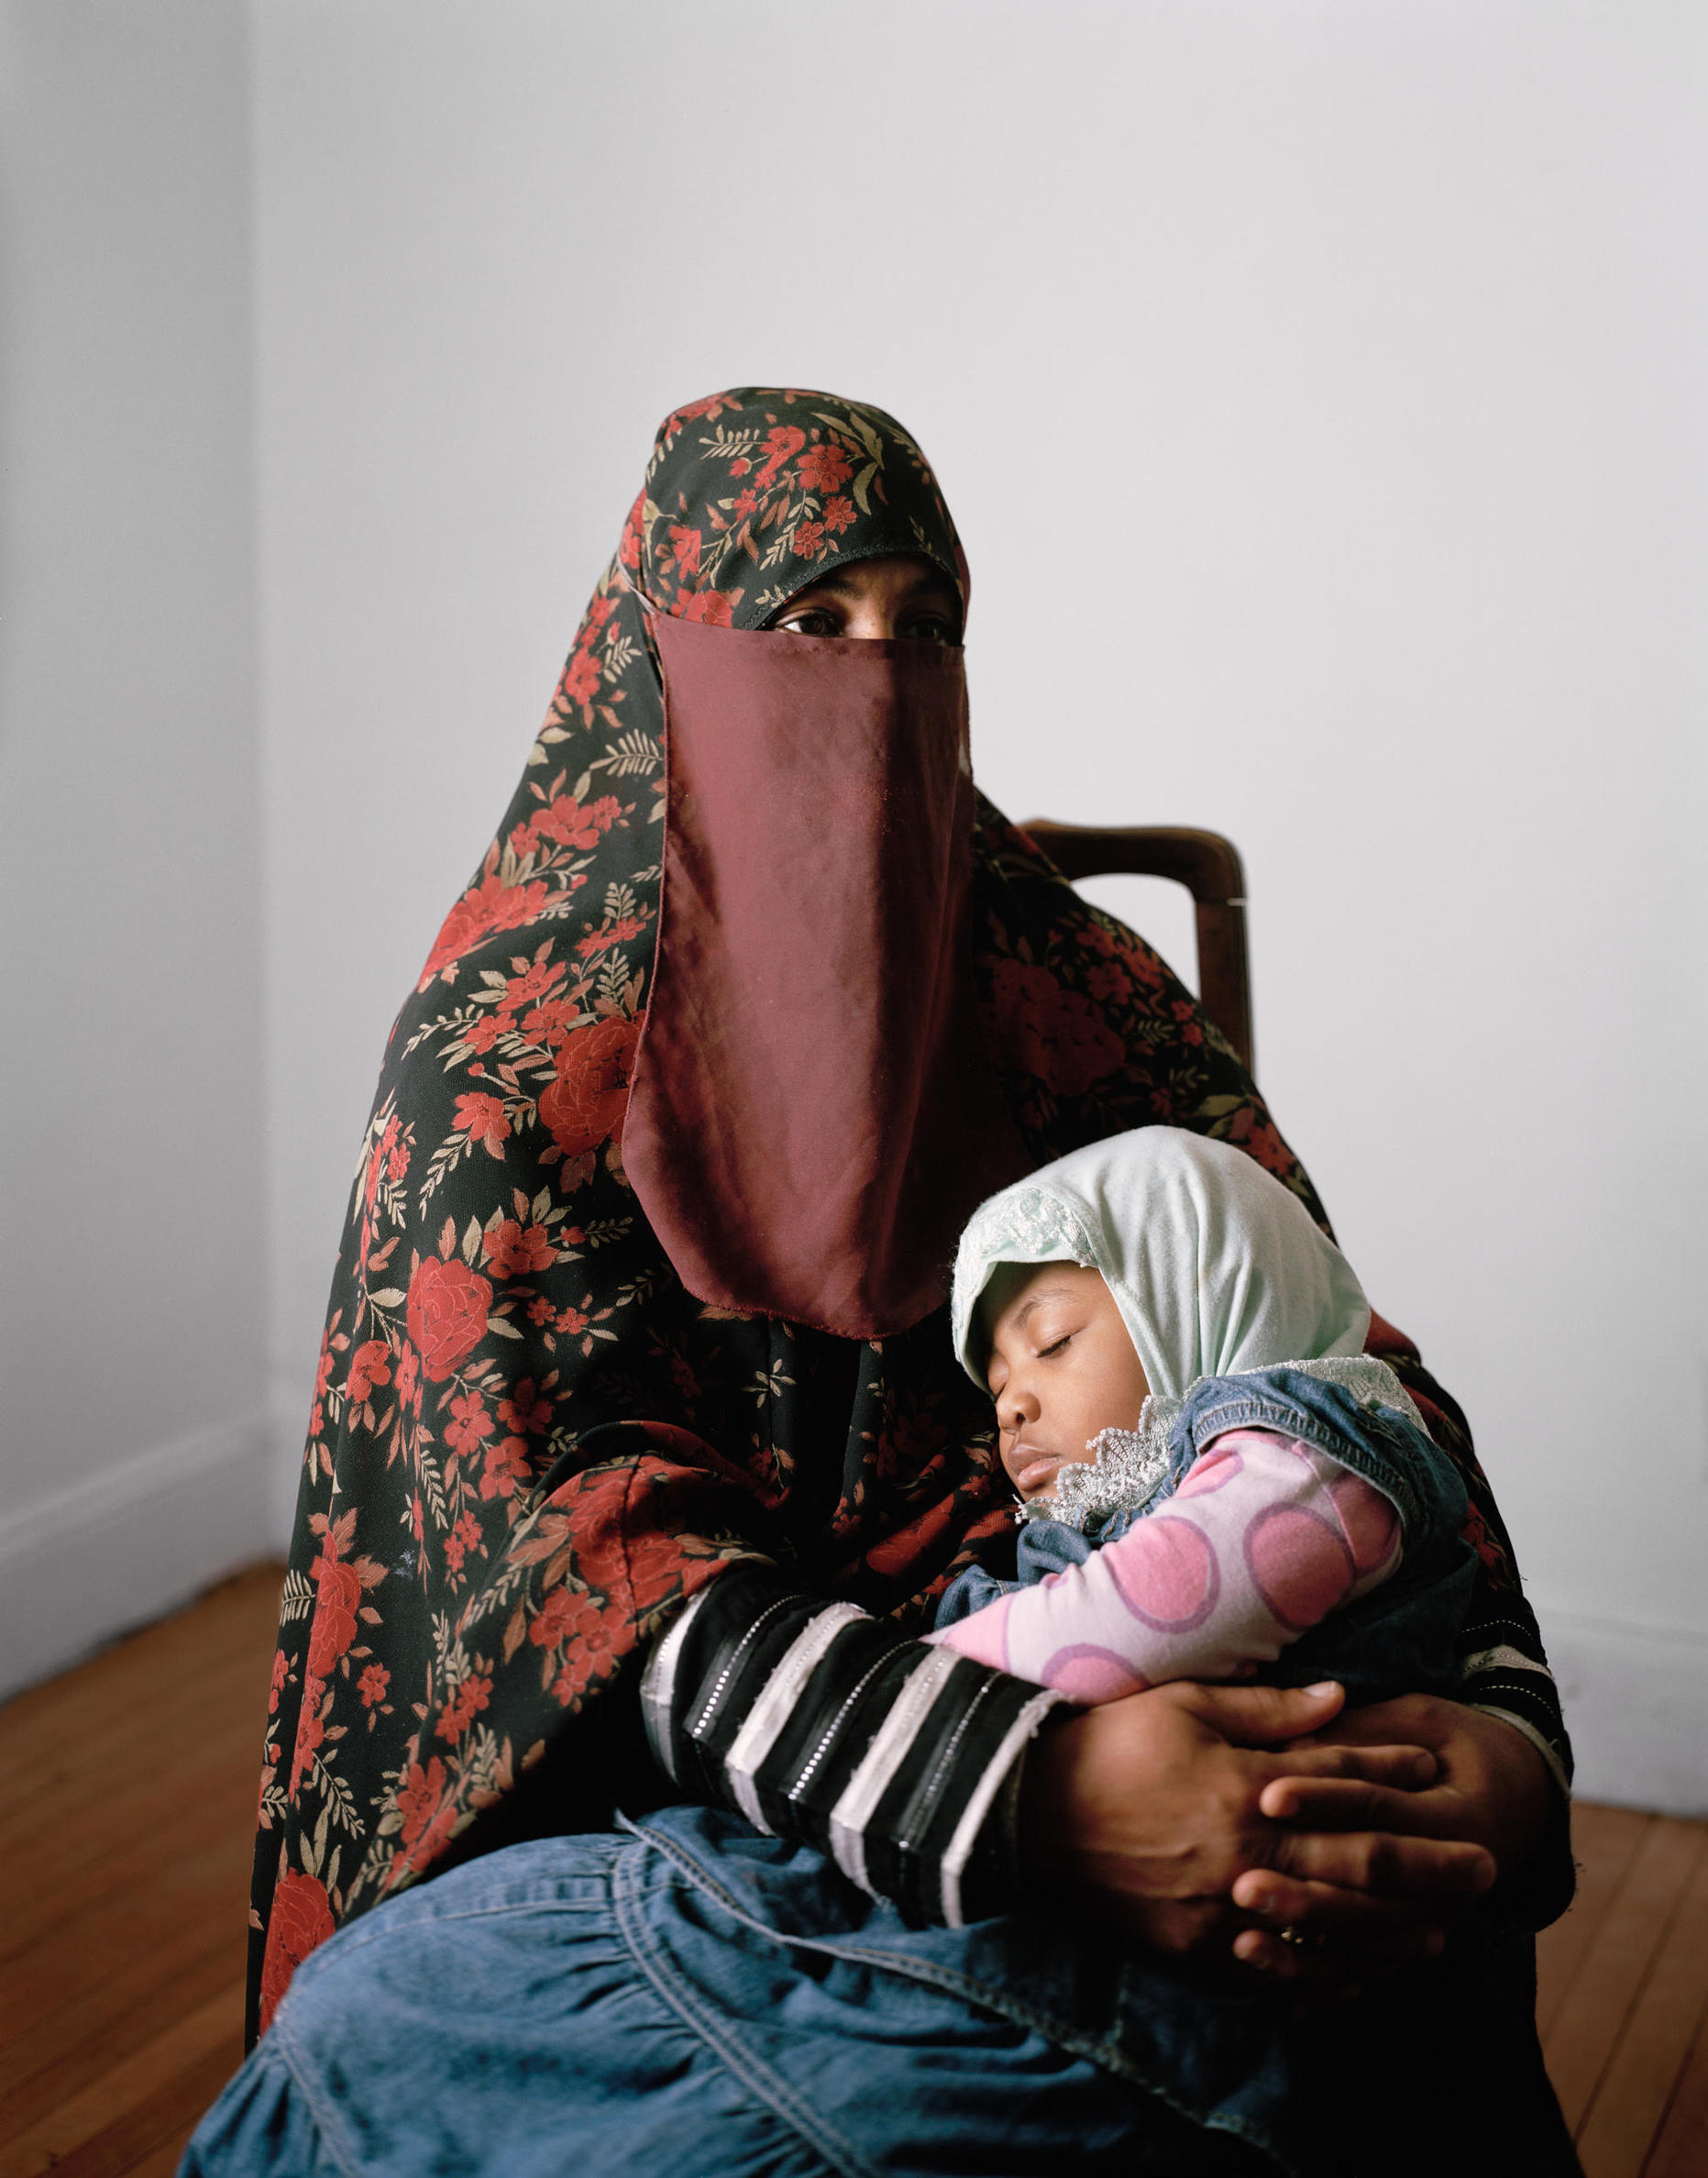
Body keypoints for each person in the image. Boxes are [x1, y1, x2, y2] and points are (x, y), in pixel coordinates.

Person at [188, 389, 1576, 2174]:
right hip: (734, 1791)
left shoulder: (1072, 991)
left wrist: (1505, 1749)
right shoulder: (510, 1060)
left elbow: (1338, 1365)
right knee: (392, 2039)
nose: (871, 680)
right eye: (806, 623)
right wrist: (1036, 1793)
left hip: (1203, 1691)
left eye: (923, 629)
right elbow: (588, 1572)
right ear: (666, 660)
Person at [929, 1126, 1479, 1726]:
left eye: (1052, 1341)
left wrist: (909, 1693)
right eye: (998, 1380)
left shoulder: (1308, 1456)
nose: (1009, 1407)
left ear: (1199, 1299)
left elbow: (1124, 1620)